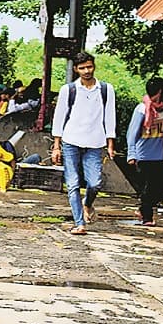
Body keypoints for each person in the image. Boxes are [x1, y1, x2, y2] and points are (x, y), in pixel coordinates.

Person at [51, 51, 116, 236]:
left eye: (89, 66)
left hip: (95, 142)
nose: (86, 71)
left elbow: (110, 117)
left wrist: (110, 143)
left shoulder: (105, 89)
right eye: (82, 68)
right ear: (76, 69)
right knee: (72, 184)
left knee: (94, 183)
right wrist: (56, 145)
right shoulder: (68, 90)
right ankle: (79, 223)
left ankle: (87, 203)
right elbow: (59, 117)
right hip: (71, 140)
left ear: (94, 66)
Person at [126, 76, 163, 227]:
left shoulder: (162, 110)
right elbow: (132, 133)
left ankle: (143, 209)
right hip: (143, 154)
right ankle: (147, 217)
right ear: (160, 91)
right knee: (149, 187)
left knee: (158, 187)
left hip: (159, 154)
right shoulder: (141, 109)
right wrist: (132, 154)